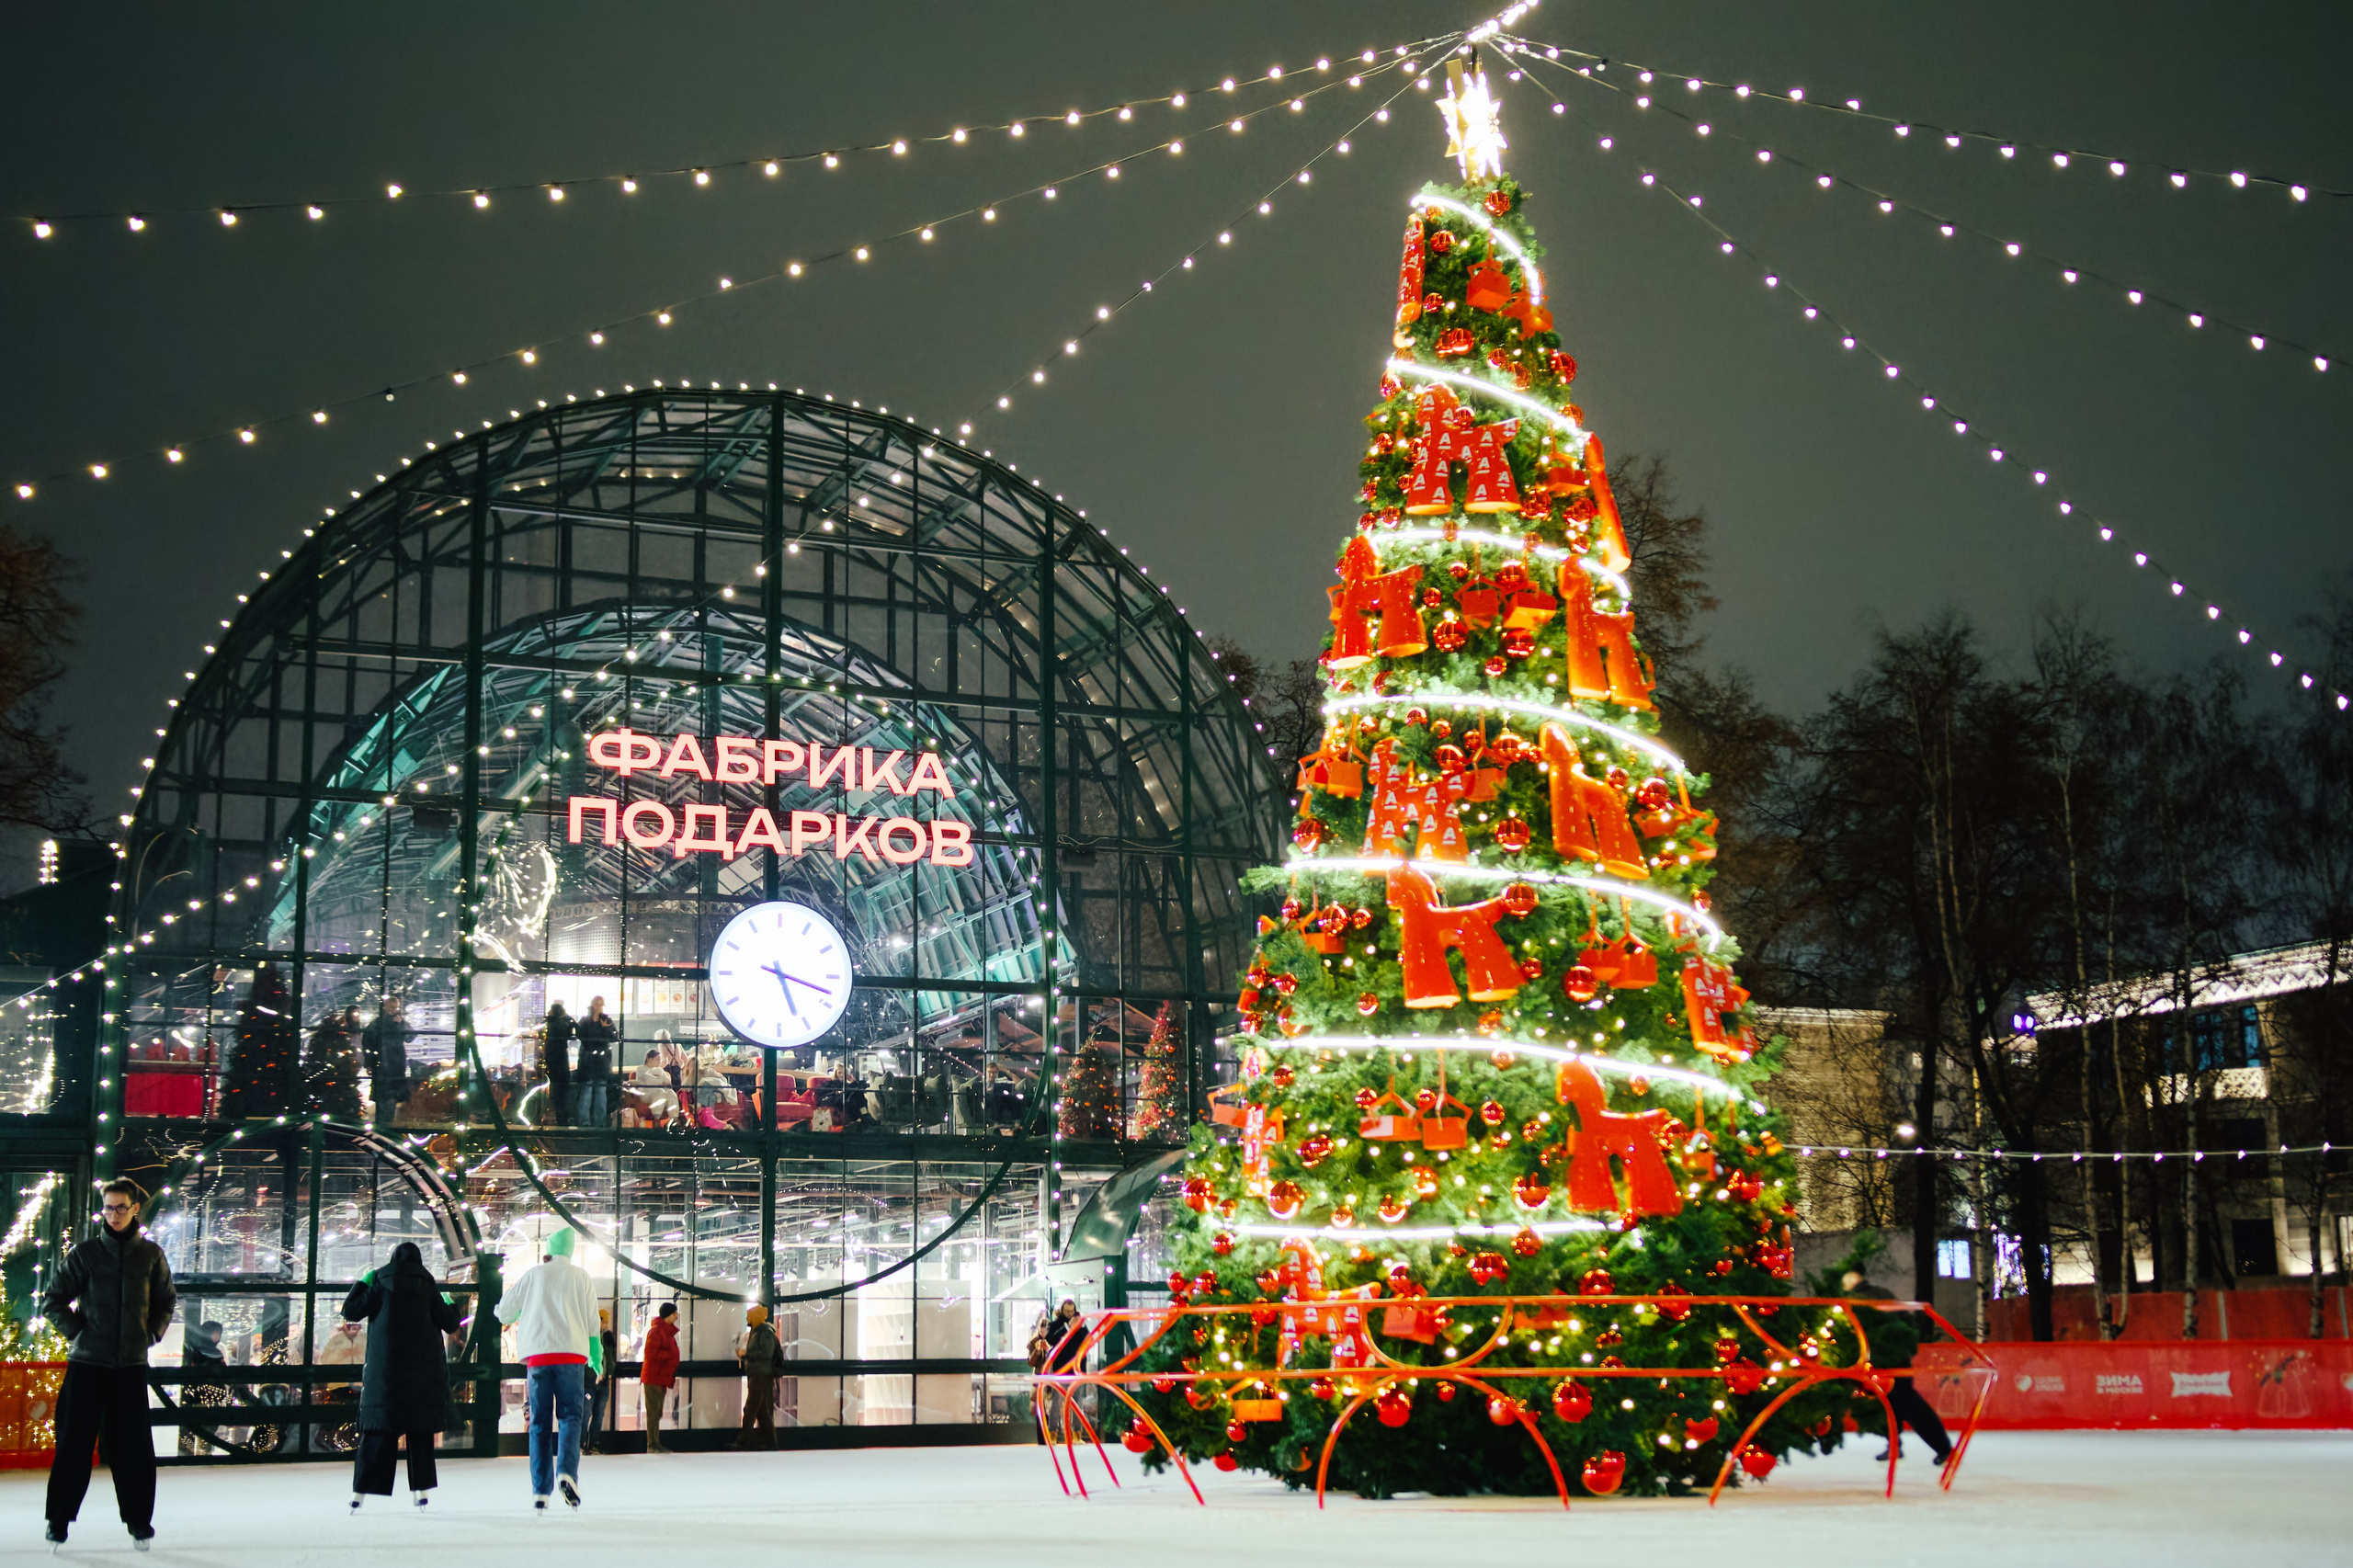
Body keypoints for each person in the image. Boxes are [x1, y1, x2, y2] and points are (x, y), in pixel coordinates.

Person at [41, 1178, 175, 1551]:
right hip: (87, 1365)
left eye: (120, 1207)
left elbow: (166, 1301)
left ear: (135, 1209)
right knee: (73, 1444)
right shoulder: (85, 1254)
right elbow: (53, 1300)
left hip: (130, 1367)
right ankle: (58, 1520)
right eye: (108, 1207)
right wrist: (79, 1332)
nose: (113, 1215)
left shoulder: (150, 1255)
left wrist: (148, 1336)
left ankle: (139, 1522)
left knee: (133, 1448)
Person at [342, 1241, 463, 1508]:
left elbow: (350, 1311)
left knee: (378, 1431)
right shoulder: (428, 1283)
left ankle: (360, 1493)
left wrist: (363, 1282)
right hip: (422, 1374)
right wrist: (448, 1300)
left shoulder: (379, 1280)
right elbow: (451, 1323)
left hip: (384, 1374)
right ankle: (420, 1492)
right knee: (419, 1433)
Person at [496, 1229, 602, 1511]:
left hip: (539, 1358)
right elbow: (593, 1325)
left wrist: (519, 1312)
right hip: (572, 1357)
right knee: (570, 1417)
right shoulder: (582, 1277)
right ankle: (567, 1472)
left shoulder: (534, 1275)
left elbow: (504, 1311)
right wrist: (597, 1358)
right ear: (570, 1251)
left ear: (550, 1249)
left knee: (540, 1424)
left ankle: (540, 1491)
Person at [1840, 1267, 1954, 1467]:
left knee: (1905, 1404)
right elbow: (1906, 1321)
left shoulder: (1858, 1300)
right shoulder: (1884, 1293)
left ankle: (1942, 1448)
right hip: (1896, 1357)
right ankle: (1899, 1445)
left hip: (1882, 1360)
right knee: (1893, 1403)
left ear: (1849, 1284)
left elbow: (1863, 1332)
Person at [733, 1305, 785, 1450]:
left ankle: (743, 1442)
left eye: (749, 1316)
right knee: (761, 1411)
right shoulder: (758, 1332)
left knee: (750, 1409)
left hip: (761, 1375)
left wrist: (746, 1353)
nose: (747, 1319)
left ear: (755, 1316)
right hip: (758, 1374)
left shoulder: (765, 1333)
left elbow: (766, 1354)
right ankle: (770, 1443)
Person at [304, 1007, 364, 1119]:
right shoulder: (343, 1031)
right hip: (344, 1065)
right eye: (355, 1013)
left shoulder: (356, 1029)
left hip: (349, 1063)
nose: (357, 1016)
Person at [363, 996, 412, 1130]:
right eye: (391, 1007)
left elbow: (410, 1037)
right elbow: (368, 1042)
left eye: (396, 1008)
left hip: (395, 1064)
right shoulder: (377, 1023)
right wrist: (368, 1063)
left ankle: (385, 1126)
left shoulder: (398, 1022)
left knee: (391, 1096)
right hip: (384, 1064)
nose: (394, 1010)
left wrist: (400, 1024)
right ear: (385, 1007)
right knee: (385, 1096)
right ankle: (384, 1126)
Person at [640, 1303, 679, 1452]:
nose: (676, 1316)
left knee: (657, 1412)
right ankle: (652, 1444)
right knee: (653, 1412)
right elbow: (650, 1354)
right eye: (675, 1313)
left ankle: (655, 1443)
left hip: (659, 1377)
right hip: (653, 1377)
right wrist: (670, 1356)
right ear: (668, 1315)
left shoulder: (665, 1331)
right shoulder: (657, 1331)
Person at [574, 997, 616, 1128]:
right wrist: (605, 1029)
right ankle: (594, 1122)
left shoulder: (588, 1020)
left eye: (599, 1004)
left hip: (591, 1062)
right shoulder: (590, 1020)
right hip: (599, 1062)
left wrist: (604, 1028)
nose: (598, 1006)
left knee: (594, 1092)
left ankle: (590, 1122)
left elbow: (614, 1037)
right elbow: (612, 1038)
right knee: (595, 1092)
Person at [584, 1309, 618, 1453]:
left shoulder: (609, 1338)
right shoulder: (587, 1338)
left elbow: (611, 1359)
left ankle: (594, 1443)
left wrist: (610, 1373)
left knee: (599, 1414)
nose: (606, 1324)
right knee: (586, 1413)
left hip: (603, 1384)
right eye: (605, 1321)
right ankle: (581, 1443)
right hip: (589, 1384)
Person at [543, 1001, 574, 1127]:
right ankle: (563, 1119)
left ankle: (553, 1116)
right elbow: (571, 1031)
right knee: (563, 1093)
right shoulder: (565, 1023)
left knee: (554, 1092)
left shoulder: (548, 1023)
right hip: (562, 1060)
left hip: (551, 1060)